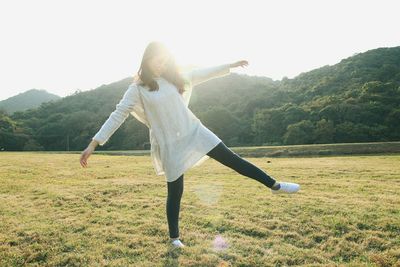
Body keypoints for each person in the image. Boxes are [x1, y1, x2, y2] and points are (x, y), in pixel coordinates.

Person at [80, 41, 300, 249]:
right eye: (158, 60)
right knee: (175, 190)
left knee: (233, 159)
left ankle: (274, 185)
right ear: (146, 60)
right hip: (169, 143)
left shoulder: (175, 79)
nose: (162, 65)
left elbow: (199, 74)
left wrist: (229, 66)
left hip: (194, 131)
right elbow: (118, 114)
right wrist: (94, 143)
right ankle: (174, 238)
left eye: (165, 61)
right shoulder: (137, 89)